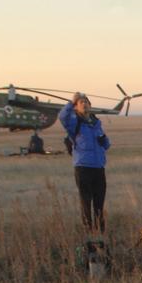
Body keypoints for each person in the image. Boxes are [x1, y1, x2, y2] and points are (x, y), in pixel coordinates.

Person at [58, 92, 110, 234]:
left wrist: (104, 141)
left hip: (99, 167)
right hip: (83, 167)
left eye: (86, 102)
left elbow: (106, 145)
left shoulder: (96, 123)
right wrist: (71, 101)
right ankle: (88, 232)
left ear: (90, 105)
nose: (84, 104)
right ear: (76, 107)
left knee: (99, 203)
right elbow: (62, 117)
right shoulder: (74, 123)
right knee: (86, 202)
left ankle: (100, 232)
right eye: (81, 102)